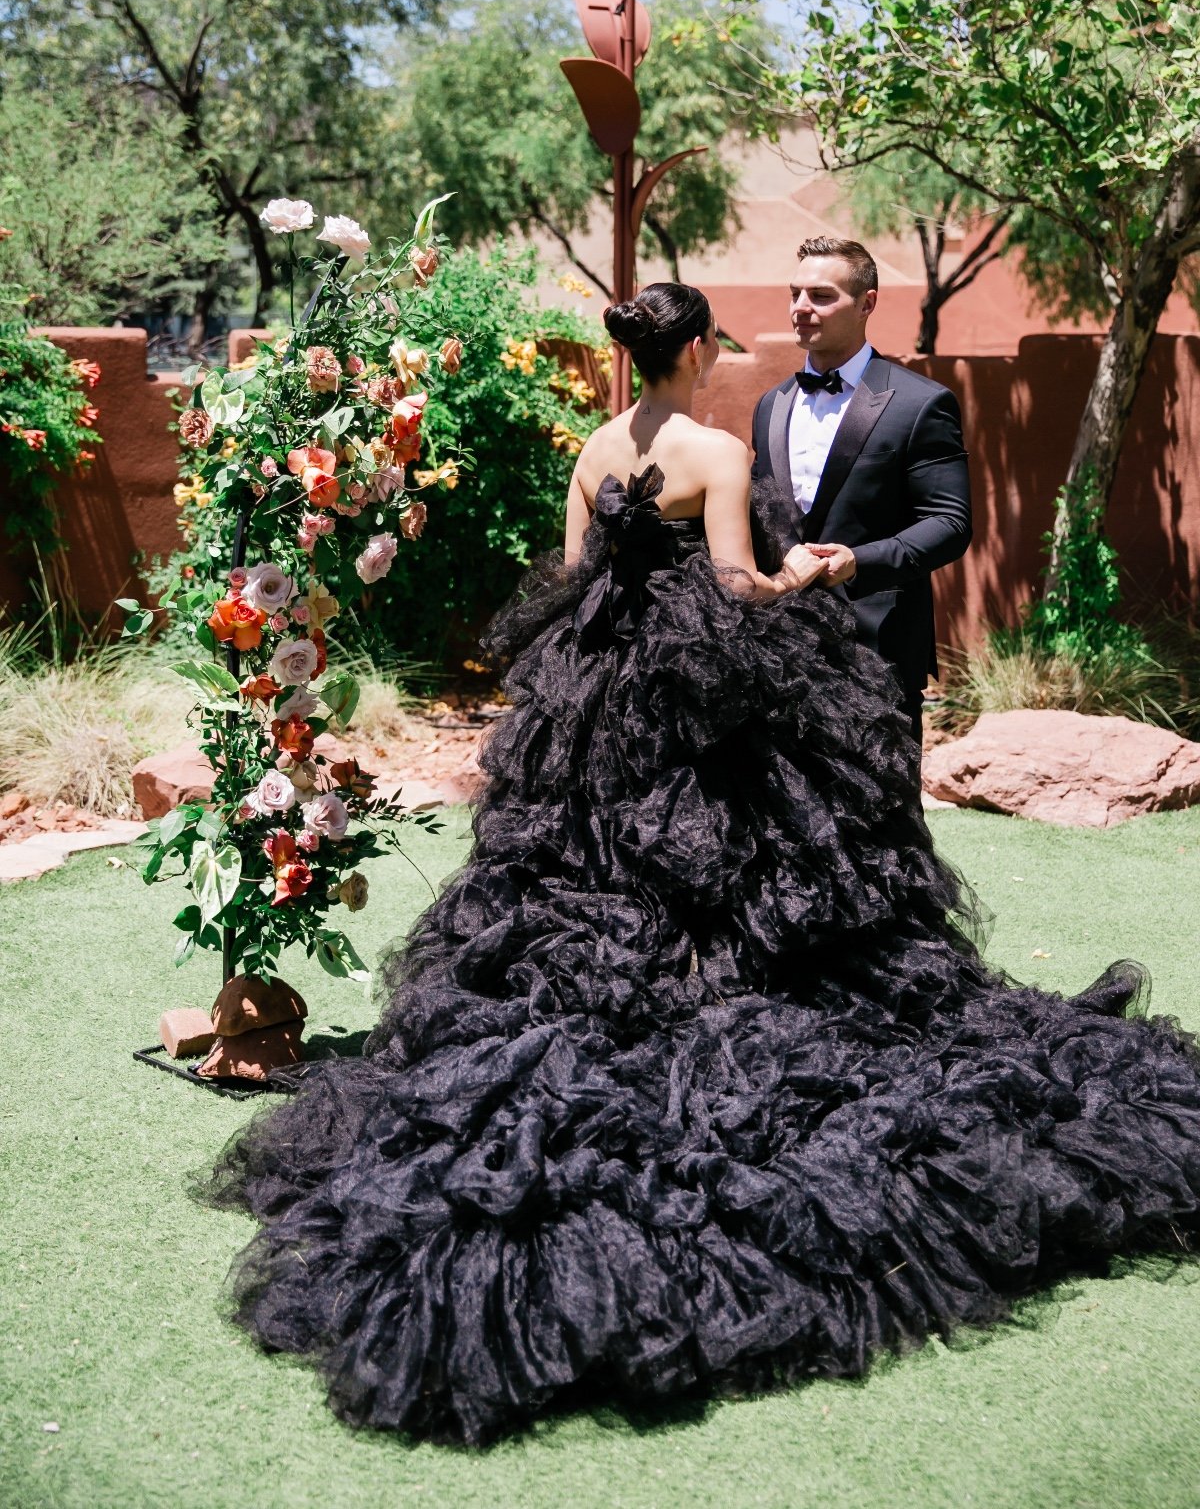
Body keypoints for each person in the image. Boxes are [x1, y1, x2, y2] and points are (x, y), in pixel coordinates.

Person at [207, 282, 1200, 1449]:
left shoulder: (593, 446)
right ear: (691, 349)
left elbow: (575, 587)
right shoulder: (717, 450)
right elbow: (732, 590)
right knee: (747, 869)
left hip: (591, 703)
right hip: (695, 707)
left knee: (580, 872)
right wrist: (795, 581)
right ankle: (712, 995)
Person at [750, 236, 972, 741]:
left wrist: (859, 560)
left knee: (882, 817)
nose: (801, 309)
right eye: (795, 294)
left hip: (879, 650)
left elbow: (950, 524)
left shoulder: (921, 403)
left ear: (867, 303)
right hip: (779, 652)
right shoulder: (772, 404)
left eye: (822, 296)